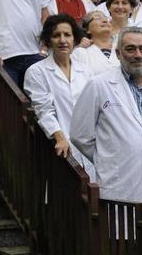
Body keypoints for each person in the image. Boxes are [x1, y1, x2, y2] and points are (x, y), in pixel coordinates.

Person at [70, 27, 142, 203]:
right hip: (118, 185)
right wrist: (110, 157)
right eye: (130, 49)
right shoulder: (98, 85)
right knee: (120, 230)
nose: (138, 54)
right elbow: (79, 135)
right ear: (118, 53)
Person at [23, 14, 92, 174]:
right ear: (48, 40)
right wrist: (60, 138)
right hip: (60, 147)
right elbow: (44, 110)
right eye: (56, 35)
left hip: (89, 147)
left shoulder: (86, 70)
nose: (62, 40)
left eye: (67, 35)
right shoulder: (36, 72)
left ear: (75, 39)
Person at [72, 10, 119, 76]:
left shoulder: (121, 48)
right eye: (97, 18)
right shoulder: (81, 52)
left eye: (106, 18)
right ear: (87, 29)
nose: (104, 21)